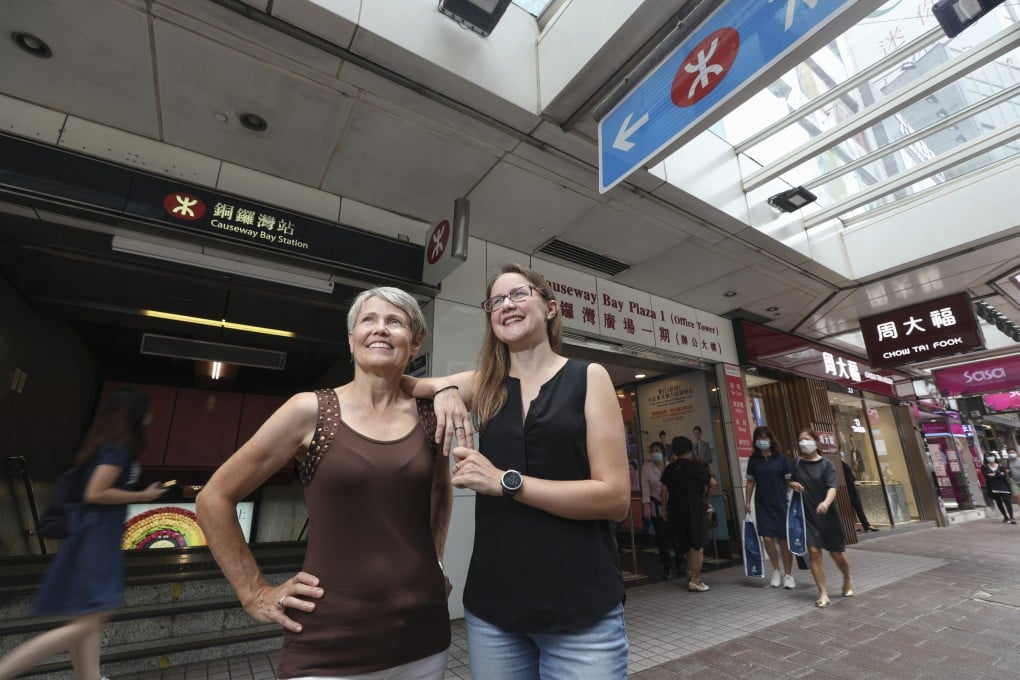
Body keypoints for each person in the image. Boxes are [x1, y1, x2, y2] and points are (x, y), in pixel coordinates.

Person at [196, 287, 453, 680]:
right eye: (368, 320)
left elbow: (440, 489)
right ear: (351, 340)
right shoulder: (310, 410)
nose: (380, 330)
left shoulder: (432, 416)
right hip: (327, 643)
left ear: (415, 343)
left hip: (423, 636)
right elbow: (214, 497)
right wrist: (254, 592)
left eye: (395, 322)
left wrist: (435, 560)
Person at [402, 262, 631, 680]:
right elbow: (401, 385)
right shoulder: (485, 384)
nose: (507, 304)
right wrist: (447, 388)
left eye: (519, 294)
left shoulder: (588, 377)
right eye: (496, 301)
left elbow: (615, 499)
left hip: (583, 608)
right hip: (495, 610)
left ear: (550, 308)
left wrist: (507, 482)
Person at [0, 388, 167, 680]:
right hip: (96, 540)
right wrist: (142, 496)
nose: (151, 415)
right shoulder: (118, 447)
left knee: (89, 619)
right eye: (147, 409)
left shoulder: (105, 443)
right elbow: (96, 492)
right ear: (134, 413)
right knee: (88, 623)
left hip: (92, 536)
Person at [789, 429, 852, 609]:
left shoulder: (827, 465)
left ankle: (847, 577)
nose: (803, 443)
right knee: (814, 553)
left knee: (836, 553)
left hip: (827, 515)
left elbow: (833, 487)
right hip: (807, 514)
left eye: (807, 439)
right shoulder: (797, 463)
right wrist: (791, 483)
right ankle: (822, 592)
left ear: (816, 442)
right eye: (800, 440)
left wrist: (825, 503)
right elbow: (789, 480)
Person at [660, 436, 716, 593]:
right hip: (695, 509)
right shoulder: (696, 466)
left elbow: (663, 490)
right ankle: (695, 580)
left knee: (685, 543)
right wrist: (706, 497)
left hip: (676, 510)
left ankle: (690, 572)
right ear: (689, 450)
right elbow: (713, 484)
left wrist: (664, 509)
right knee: (697, 545)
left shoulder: (670, 468)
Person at [743, 425, 795, 589]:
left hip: (781, 503)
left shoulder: (781, 459)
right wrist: (747, 502)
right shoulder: (753, 460)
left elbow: (789, 481)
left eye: (765, 438)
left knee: (783, 540)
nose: (762, 441)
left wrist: (796, 497)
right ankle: (776, 570)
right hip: (762, 504)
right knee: (766, 538)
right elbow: (750, 482)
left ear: (771, 440)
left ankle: (788, 575)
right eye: (759, 438)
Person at [641, 442, 675, 580]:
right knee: (661, 538)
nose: (655, 453)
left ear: (663, 452)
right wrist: (646, 505)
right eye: (653, 450)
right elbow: (645, 487)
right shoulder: (646, 468)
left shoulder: (670, 466)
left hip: (672, 506)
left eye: (658, 450)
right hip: (656, 506)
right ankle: (667, 565)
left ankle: (679, 563)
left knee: (673, 535)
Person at [841, 457, 879, 532]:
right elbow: (845, 476)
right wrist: (853, 481)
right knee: (848, 509)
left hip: (851, 488)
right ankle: (852, 527)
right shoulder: (838, 462)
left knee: (858, 507)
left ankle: (866, 525)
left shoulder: (842, 461)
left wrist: (855, 480)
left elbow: (850, 474)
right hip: (846, 489)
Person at [981, 454, 1015, 524]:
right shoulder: (984, 466)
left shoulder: (1000, 465)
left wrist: (1003, 473)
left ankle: (1012, 517)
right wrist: (990, 475)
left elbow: (1005, 474)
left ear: (994, 457)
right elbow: (985, 475)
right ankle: (1005, 517)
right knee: (999, 502)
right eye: (988, 457)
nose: (990, 458)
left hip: (1003, 485)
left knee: (1007, 501)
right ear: (985, 458)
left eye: (991, 456)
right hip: (993, 486)